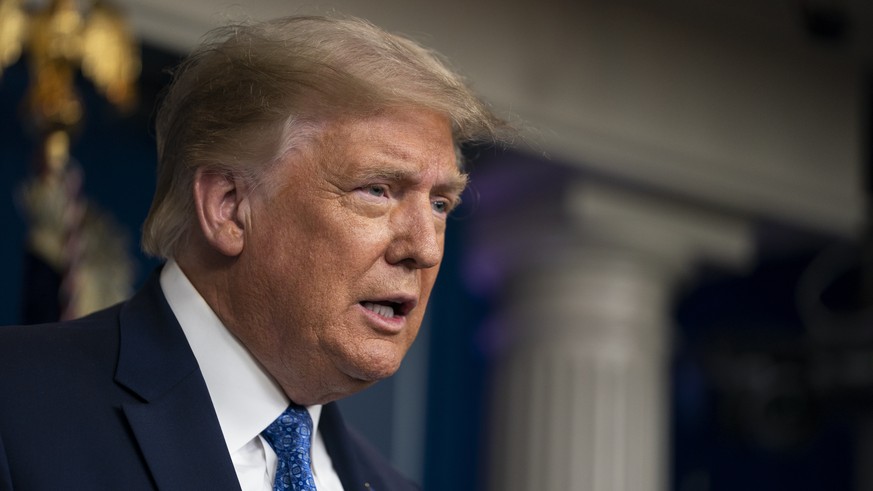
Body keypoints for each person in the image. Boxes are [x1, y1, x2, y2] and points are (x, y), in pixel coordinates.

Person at [0, 15, 504, 491]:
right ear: (229, 207)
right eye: (377, 190)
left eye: (441, 204)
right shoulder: (16, 403)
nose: (425, 247)